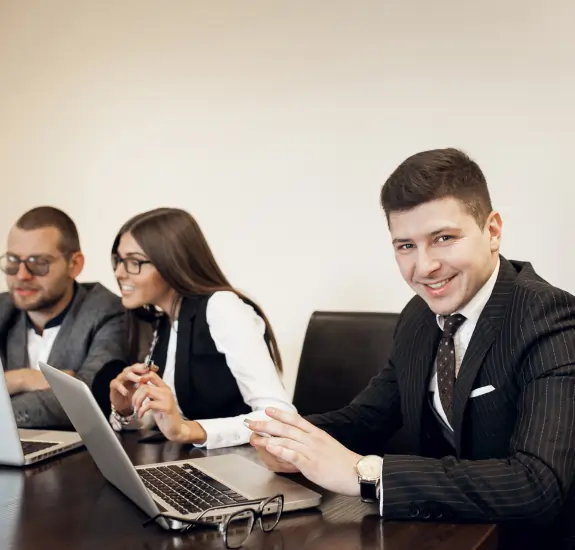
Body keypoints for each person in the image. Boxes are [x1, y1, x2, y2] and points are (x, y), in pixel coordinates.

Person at [247, 148, 575, 548]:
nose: (424, 267)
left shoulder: (549, 315)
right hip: (443, 534)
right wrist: (294, 441)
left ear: (492, 231)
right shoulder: (419, 317)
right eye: (405, 246)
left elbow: (537, 485)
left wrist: (364, 474)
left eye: (443, 239)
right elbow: (369, 417)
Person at [107, 207, 295, 449]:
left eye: (133, 262)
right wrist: (125, 409)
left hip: (246, 467)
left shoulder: (222, 307)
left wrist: (189, 430)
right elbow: (165, 421)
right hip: (201, 466)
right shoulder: (166, 321)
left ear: (170, 263)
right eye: (119, 260)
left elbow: (278, 416)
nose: (119, 272)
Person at [0, 206, 128, 428]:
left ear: (74, 265)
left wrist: (9, 387)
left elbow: (86, 401)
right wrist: (24, 378)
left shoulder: (107, 311)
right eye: (13, 261)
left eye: (38, 263)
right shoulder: (3, 308)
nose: (21, 275)